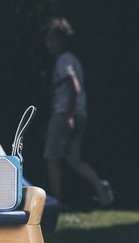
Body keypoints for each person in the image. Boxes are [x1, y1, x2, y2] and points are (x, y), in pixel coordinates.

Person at [42, 18, 113, 207]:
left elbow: (74, 87)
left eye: (54, 38)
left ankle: (56, 203)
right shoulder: (74, 60)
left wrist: (68, 116)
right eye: (48, 39)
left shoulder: (64, 60)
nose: (50, 43)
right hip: (80, 113)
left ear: (63, 40)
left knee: (52, 158)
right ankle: (99, 184)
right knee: (73, 159)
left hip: (64, 114)